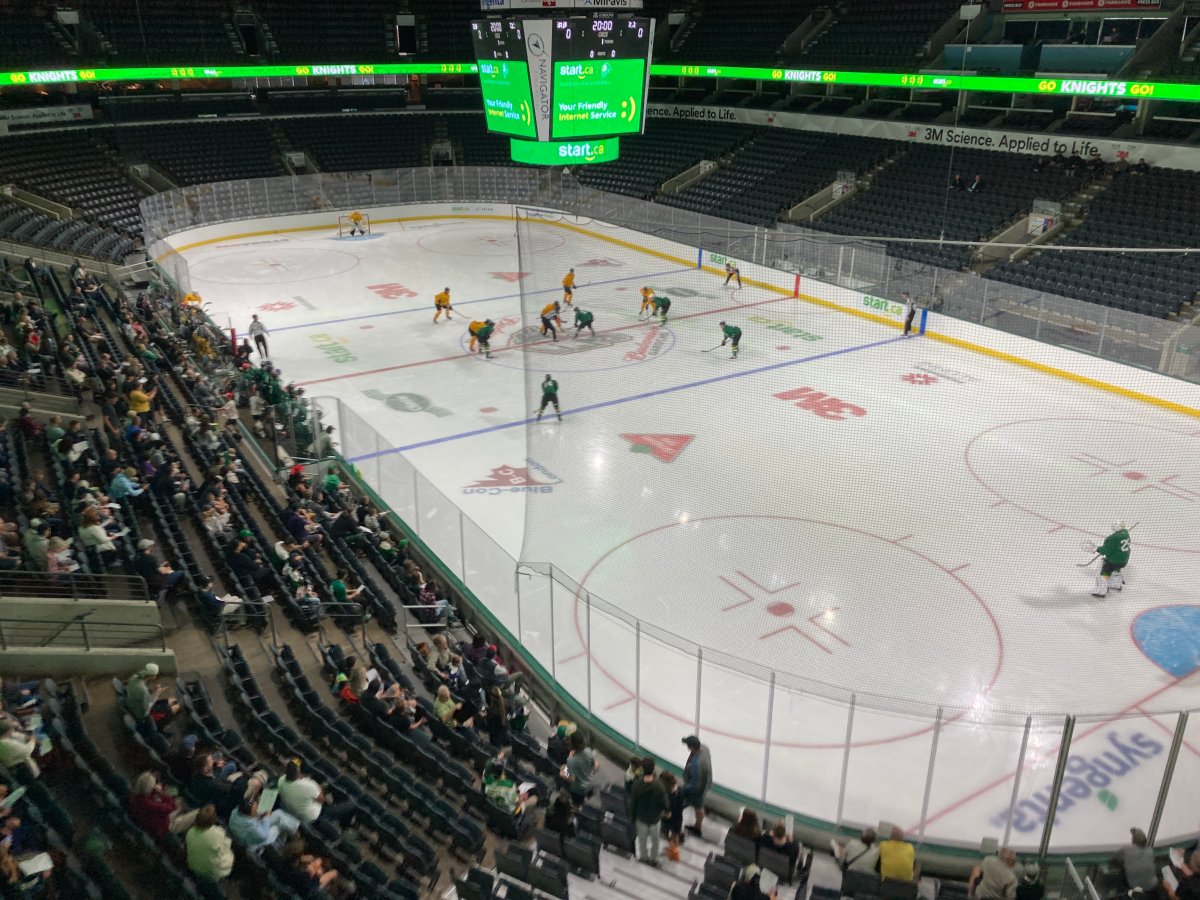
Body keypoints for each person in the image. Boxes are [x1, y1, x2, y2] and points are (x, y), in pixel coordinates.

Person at [276, 759, 356, 838]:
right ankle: (344, 827)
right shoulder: (308, 786)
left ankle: (342, 824)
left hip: (298, 814)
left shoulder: (281, 782)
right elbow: (321, 800)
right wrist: (318, 787)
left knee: (330, 788)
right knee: (352, 804)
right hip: (317, 817)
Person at [129, 770, 198, 838]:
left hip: (157, 818)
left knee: (181, 800)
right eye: (155, 783)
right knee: (198, 812)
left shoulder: (136, 797)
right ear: (150, 787)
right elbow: (172, 807)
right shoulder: (150, 804)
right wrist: (161, 793)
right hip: (164, 826)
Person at [228, 793, 300, 853]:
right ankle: (292, 839)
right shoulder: (250, 826)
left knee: (278, 814)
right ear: (250, 813)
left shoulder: (236, 811)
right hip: (254, 844)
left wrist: (260, 816)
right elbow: (263, 835)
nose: (257, 809)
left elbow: (251, 811)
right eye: (255, 808)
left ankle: (294, 831)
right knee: (278, 826)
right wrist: (266, 818)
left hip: (250, 831)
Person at [630, 757, 668, 866]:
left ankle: (643, 858)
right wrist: (667, 811)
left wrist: (632, 817)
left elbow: (633, 803)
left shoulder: (637, 785)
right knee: (655, 841)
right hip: (655, 820)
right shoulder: (659, 786)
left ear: (642, 769)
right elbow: (664, 802)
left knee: (642, 841)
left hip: (641, 818)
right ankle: (654, 859)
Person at [185, 805, 235, 883]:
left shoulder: (190, 832)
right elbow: (227, 845)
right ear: (213, 820)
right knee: (230, 855)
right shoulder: (218, 833)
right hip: (211, 873)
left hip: (193, 865)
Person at [681, 735, 712, 837]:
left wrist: (685, 789)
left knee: (698, 806)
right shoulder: (704, 748)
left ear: (692, 748)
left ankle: (697, 828)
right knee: (699, 806)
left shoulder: (696, 765)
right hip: (705, 782)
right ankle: (697, 826)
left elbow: (695, 785)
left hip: (698, 789)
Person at [1114, 828, 1159, 894]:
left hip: (1135, 886)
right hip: (1150, 887)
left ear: (1133, 840)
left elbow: (1114, 860)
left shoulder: (1127, 850)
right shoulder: (1150, 851)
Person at [1092, 522, 1131, 597]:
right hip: (1124, 560)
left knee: (1104, 571)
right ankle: (1116, 584)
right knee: (1115, 569)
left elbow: (1107, 550)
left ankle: (1101, 590)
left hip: (1114, 560)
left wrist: (1096, 549)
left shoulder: (1114, 537)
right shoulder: (1126, 534)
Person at [561, 731, 598, 805]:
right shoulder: (588, 752)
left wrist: (562, 772)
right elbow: (596, 765)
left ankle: (576, 806)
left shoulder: (571, 760)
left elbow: (572, 779)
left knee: (575, 801)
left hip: (578, 790)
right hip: (588, 784)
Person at [660, 771, 684, 861]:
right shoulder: (679, 790)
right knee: (675, 835)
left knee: (672, 836)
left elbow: (668, 814)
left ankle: (674, 853)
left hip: (672, 820)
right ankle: (672, 849)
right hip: (678, 818)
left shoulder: (671, 796)